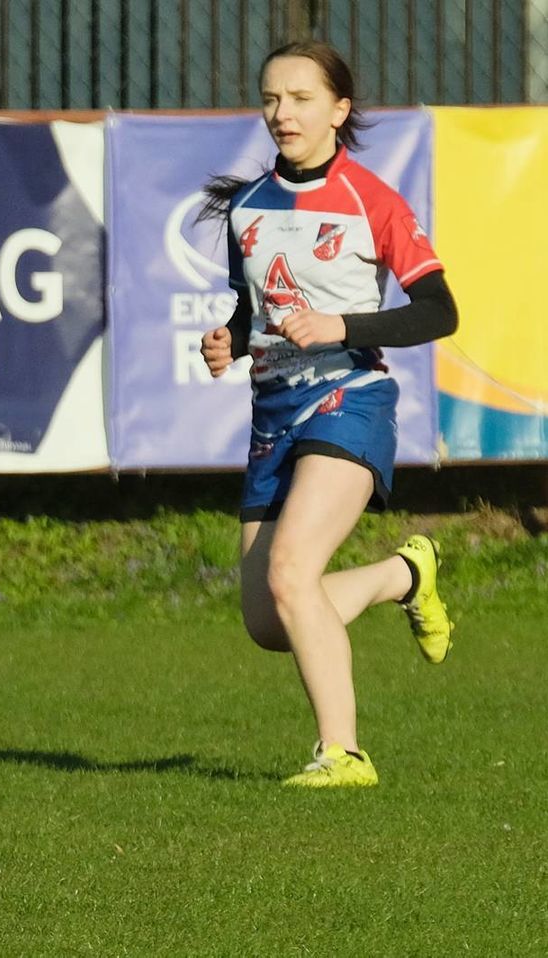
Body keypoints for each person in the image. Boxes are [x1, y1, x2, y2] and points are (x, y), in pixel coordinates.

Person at [197, 41, 458, 787]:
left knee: (291, 571)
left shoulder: (370, 199)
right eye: (272, 98)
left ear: (339, 110)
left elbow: (440, 311)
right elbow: (255, 314)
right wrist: (229, 341)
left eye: (301, 99)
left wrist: (346, 325)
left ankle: (344, 753)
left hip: (349, 399)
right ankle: (405, 575)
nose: (283, 113)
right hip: (272, 413)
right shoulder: (247, 206)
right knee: (270, 621)